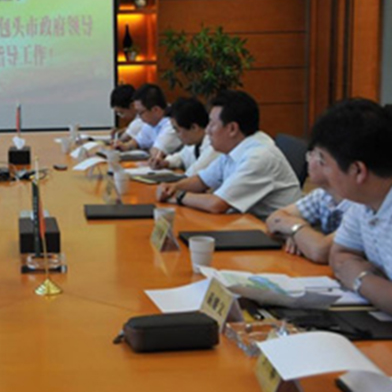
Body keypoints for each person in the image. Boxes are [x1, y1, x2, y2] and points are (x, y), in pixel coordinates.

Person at [156, 90, 301, 217]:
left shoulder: (258, 156)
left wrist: (179, 196)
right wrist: (174, 187)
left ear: (232, 129)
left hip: (275, 233)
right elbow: (202, 180)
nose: (207, 131)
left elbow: (217, 204)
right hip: (248, 223)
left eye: (212, 124)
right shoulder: (233, 149)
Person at [309, 98, 392, 314]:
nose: (322, 171)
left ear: (358, 171)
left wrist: (360, 279)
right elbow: (339, 255)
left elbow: (348, 269)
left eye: (324, 162)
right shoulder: (363, 201)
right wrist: (377, 287)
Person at [265, 145, 357, 264]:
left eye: (312, 155)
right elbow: (274, 218)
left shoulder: (360, 204)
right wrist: (298, 235)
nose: (308, 160)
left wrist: (297, 230)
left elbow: (320, 251)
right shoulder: (323, 194)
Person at [148, 97, 219, 176]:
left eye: (178, 130)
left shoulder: (214, 146)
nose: (176, 135)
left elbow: (194, 172)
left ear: (194, 127)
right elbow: (180, 157)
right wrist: (165, 162)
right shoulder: (194, 142)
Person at [118, 84, 182, 158]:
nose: (139, 117)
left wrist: (146, 150)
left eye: (140, 113)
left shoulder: (172, 125)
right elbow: (136, 142)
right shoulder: (152, 123)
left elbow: (156, 153)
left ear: (156, 110)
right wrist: (123, 146)